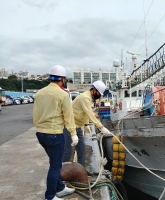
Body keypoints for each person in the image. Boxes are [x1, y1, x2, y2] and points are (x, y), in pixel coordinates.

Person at [33, 65, 79, 200]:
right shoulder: (63, 94)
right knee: (55, 165)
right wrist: (73, 133)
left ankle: (59, 188)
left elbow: (35, 115)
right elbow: (68, 116)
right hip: (54, 134)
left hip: (40, 134)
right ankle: (50, 196)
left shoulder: (39, 93)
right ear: (62, 79)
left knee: (55, 162)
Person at [63, 80, 110, 169]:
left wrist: (87, 124)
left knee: (81, 149)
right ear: (95, 90)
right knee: (68, 151)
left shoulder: (89, 97)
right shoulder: (85, 98)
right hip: (69, 126)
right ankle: (62, 173)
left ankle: (81, 170)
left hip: (78, 126)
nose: (99, 95)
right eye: (99, 93)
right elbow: (89, 113)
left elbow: (84, 113)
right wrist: (101, 127)